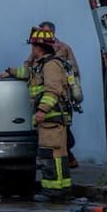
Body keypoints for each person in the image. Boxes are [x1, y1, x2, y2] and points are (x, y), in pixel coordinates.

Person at [2, 26, 73, 202]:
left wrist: (42, 111)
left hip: (51, 118)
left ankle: (54, 191)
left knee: (51, 155)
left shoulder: (50, 66)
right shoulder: (41, 65)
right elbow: (27, 73)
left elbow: (52, 90)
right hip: (51, 120)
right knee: (57, 155)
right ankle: (61, 190)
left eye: (33, 47)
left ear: (39, 48)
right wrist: (10, 71)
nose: (31, 50)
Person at [17, 20, 80, 169]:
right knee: (54, 144)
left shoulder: (61, 51)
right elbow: (29, 67)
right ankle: (62, 172)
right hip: (47, 107)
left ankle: (60, 176)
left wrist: (43, 109)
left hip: (55, 105)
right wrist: (10, 72)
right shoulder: (39, 53)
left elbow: (70, 73)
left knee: (58, 142)